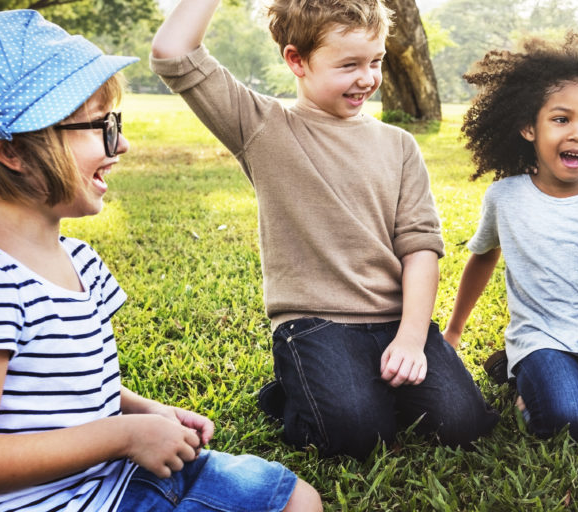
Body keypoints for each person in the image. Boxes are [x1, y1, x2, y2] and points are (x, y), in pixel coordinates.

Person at [0, 10, 322, 511]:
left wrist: (150, 413)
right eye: (100, 127)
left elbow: (80, 388)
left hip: (117, 471)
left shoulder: (78, 259)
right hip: (58, 501)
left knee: (297, 500)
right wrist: (123, 436)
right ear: (14, 152)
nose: (123, 144)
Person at [149, 0, 498, 460]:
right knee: (355, 438)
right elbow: (173, 53)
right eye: (349, 64)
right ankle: (291, 391)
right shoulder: (262, 127)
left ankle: (355, 383)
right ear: (296, 60)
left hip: (396, 320)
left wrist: (413, 337)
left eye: (375, 61)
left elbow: (420, 248)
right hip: (316, 324)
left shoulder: (399, 145)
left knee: (464, 425)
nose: (367, 78)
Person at [441, 33, 578, 443]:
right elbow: (483, 256)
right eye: (561, 119)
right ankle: (523, 382)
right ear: (527, 127)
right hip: (539, 336)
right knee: (569, 419)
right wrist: (454, 331)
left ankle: (542, 380)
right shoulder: (505, 197)